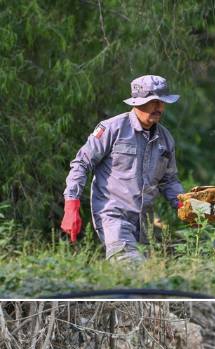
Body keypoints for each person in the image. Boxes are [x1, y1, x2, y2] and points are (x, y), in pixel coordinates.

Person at [62, 75, 185, 261]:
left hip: (145, 224)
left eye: (162, 102)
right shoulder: (112, 129)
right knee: (130, 265)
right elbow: (81, 163)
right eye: (153, 102)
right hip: (113, 216)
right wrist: (71, 205)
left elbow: (169, 180)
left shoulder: (165, 139)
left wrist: (184, 205)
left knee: (141, 279)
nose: (159, 108)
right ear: (137, 102)